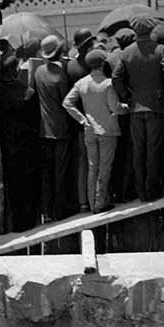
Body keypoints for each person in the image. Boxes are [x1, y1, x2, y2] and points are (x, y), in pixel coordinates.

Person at [114, 15, 164, 201]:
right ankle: (153, 191)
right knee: (153, 150)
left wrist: (126, 96)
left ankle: (141, 192)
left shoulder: (126, 53)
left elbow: (116, 78)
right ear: (150, 29)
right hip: (156, 107)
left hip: (135, 108)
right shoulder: (161, 49)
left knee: (139, 151)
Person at [63, 48, 123, 212]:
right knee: (105, 167)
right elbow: (115, 108)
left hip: (89, 130)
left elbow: (67, 103)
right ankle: (100, 202)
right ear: (102, 64)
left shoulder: (81, 83)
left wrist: (82, 119)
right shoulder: (108, 84)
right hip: (108, 130)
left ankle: (92, 203)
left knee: (92, 167)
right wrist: (125, 107)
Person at [31, 35, 74, 224]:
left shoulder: (38, 71)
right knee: (61, 172)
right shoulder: (61, 75)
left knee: (47, 173)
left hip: (43, 129)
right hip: (61, 129)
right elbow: (67, 102)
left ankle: (47, 212)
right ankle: (60, 211)